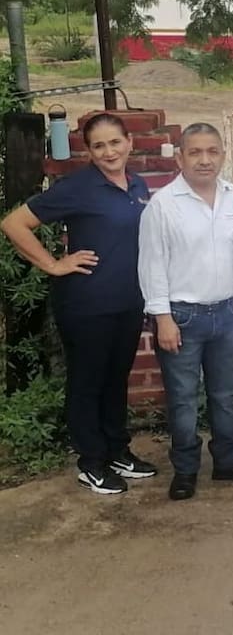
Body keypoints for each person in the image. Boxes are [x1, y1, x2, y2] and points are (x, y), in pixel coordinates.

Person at [1, 113, 157, 495]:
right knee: (88, 382)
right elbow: (13, 224)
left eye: (115, 142)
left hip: (127, 301)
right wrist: (54, 264)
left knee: (115, 379)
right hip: (86, 303)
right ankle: (91, 461)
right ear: (88, 151)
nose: (109, 151)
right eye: (99, 145)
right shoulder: (78, 187)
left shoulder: (137, 185)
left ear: (129, 144)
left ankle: (117, 451)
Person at [138, 122, 233, 501]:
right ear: (180, 157)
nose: (204, 160)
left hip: (228, 313)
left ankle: (228, 461)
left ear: (222, 155)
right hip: (182, 317)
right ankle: (185, 470)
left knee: (226, 393)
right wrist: (162, 317)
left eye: (212, 151)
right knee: (182, 399)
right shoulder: (163, 205)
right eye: (195, 152)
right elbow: (152, 265)